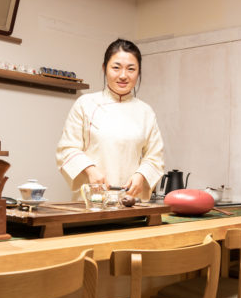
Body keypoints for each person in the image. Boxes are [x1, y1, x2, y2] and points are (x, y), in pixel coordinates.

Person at [56, 39, 164, 201]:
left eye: (131, 69)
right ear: (104, 68)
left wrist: (141, 175)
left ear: (139, 72)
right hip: (91, 201)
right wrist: (90, 170)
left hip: (130, 202)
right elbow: (67, 149)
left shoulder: (146, 112)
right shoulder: (85, 104)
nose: (123, 75)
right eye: (116, 67)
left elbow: (155, 157)